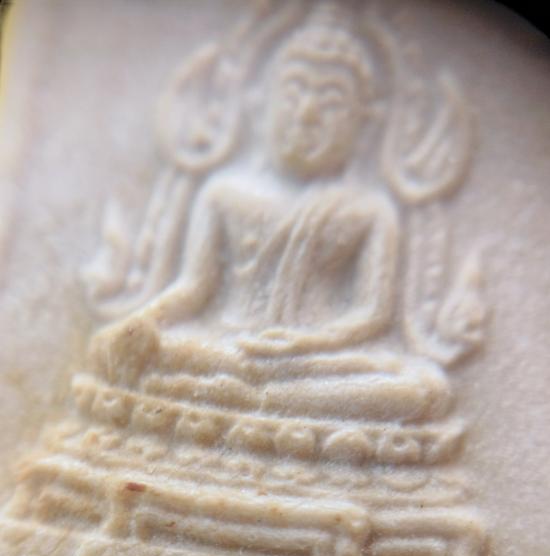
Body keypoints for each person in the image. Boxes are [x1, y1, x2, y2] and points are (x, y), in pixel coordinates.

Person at [90, 4, 452, 424]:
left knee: (421, 388)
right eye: (294, 93)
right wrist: (143, 322)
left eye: (332, 103)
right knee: (124, 350)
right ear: (260, 102)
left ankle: (238, 405)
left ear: (364, 121)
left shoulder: (369, 210)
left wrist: (304, 344)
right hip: (224, 346)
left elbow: (371, 314)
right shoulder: (225, 192)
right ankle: (259, 405)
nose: (307, 115)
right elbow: (194, 287)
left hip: (312, 362)